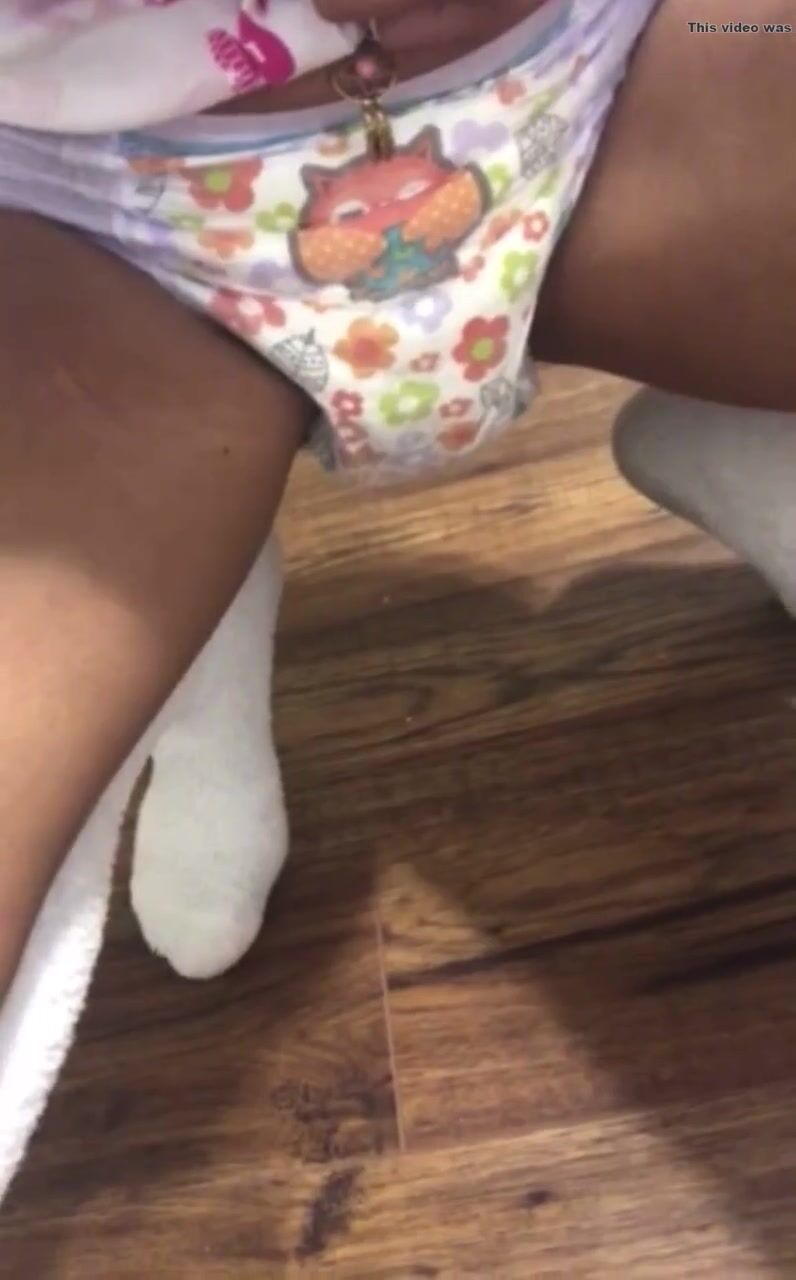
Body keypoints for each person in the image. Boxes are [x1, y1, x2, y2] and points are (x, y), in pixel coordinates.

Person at [0, 0, 794, 1006]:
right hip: (87, 197)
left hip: (605, 54)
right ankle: (198, 676)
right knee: (88, 565)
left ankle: (753, 434)